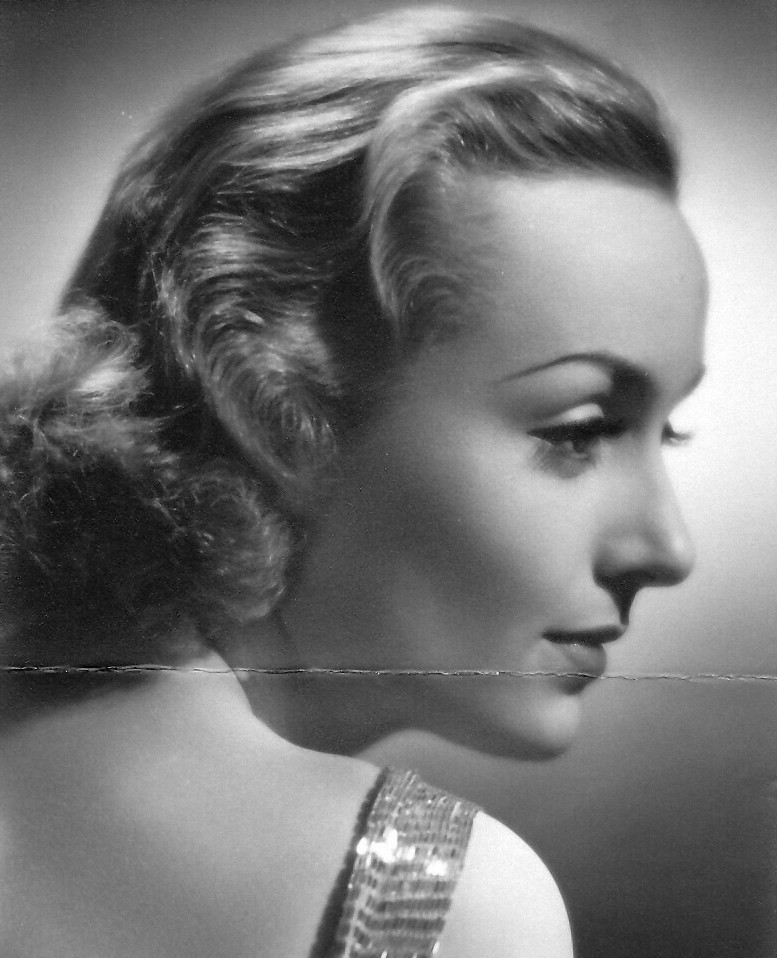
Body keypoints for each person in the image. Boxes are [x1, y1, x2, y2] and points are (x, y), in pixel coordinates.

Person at [0, 7, 707, 957]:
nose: (666, 549)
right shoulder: (448, 905)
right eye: (577, 434)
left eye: (669, 432)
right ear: (271, 396)